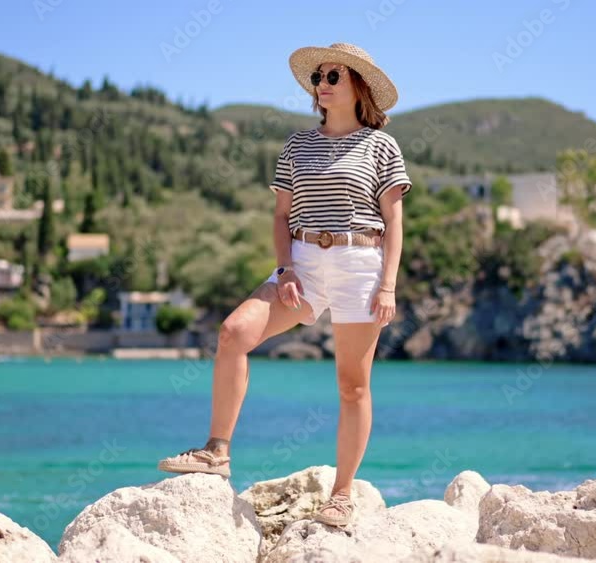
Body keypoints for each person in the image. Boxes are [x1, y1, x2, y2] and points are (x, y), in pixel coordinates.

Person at [158, 43, 412, 528]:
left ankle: (341, 495)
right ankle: (217, 451)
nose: (323, 82)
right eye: (319, 74)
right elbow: (280, 215)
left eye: (334, 75)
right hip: (302, 263)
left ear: (359, 85)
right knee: (234, 333)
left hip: (361, 261)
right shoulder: (298, 145)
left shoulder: (382, 146)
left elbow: (394, 220)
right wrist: (286, 267)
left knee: (352, 386)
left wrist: (388, 285)